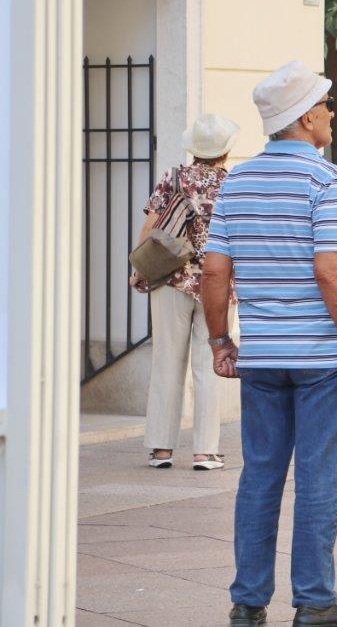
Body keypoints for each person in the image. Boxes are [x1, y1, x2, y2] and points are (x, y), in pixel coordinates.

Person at [203, 60, 337, 627]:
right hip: (321, 358)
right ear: (306, 118)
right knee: (321, 477)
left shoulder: (238, 181)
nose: (331, 114)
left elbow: (213, 272)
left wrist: (220, 340)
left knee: (260, 475)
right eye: (325, 106)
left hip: (261, 358)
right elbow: (333, 272)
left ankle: (248, 602)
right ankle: (315, 599)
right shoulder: (326, 181)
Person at [131, 113, 240, 471]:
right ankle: (205, 451)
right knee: (212, 363)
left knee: (166, 362)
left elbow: (150, 229)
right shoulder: (235, 183)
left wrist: (139, 268)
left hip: (171, 281)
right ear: (225, 151)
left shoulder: (173, 178)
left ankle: (161, 449)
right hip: (218, 285)